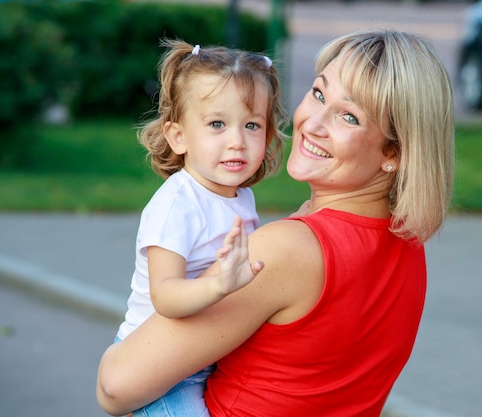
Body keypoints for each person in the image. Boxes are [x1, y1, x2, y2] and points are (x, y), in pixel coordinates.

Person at [97, 29, 455, 417]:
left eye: (348, 116)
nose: (312, 123)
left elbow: (116, 387)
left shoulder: (285, 250)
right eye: (319, 94)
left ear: (395, 152)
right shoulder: (408, 246)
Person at [113, 39, 286, 417]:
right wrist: (217, 285)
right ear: (179, 137)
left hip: (202, 358)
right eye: (217, 124)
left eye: (252, 125)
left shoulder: (239, 197)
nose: (237, 141)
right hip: (161, 370)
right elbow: (166, 297)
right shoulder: (177, 205)